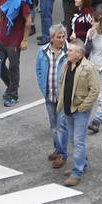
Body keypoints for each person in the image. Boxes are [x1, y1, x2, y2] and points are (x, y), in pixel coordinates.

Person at [54, 40, 99, 187]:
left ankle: (77, 172)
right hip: (68, 109)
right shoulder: (68, 64)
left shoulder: (88, 68)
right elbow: (62, 84)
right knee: (73, 140)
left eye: (71, 51)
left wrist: (83, 107)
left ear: (79, 54)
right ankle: (82, 164)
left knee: (78, 141)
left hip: (79, 111)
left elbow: (95, 90)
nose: (67, 52)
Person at [0, 0, 31, 106]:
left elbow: (28, 20)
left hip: (15, 40)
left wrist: (25, 40)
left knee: (13, 67)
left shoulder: (21, 0)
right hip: (2, 38)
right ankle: (11, 86)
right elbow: (0, 18)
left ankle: (13, 95)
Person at [36, 24, 70, 159]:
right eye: (58, 37)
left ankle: (62, 154)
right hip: (49, 95)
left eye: (63, 36)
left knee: (62, 126)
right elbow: (38, 70)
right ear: (52, 38)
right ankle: (58, 148)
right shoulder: (43, 51)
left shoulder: (70, 52)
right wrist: (42, 87)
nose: (61, 39)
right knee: (53, 125)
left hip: (63, 97)